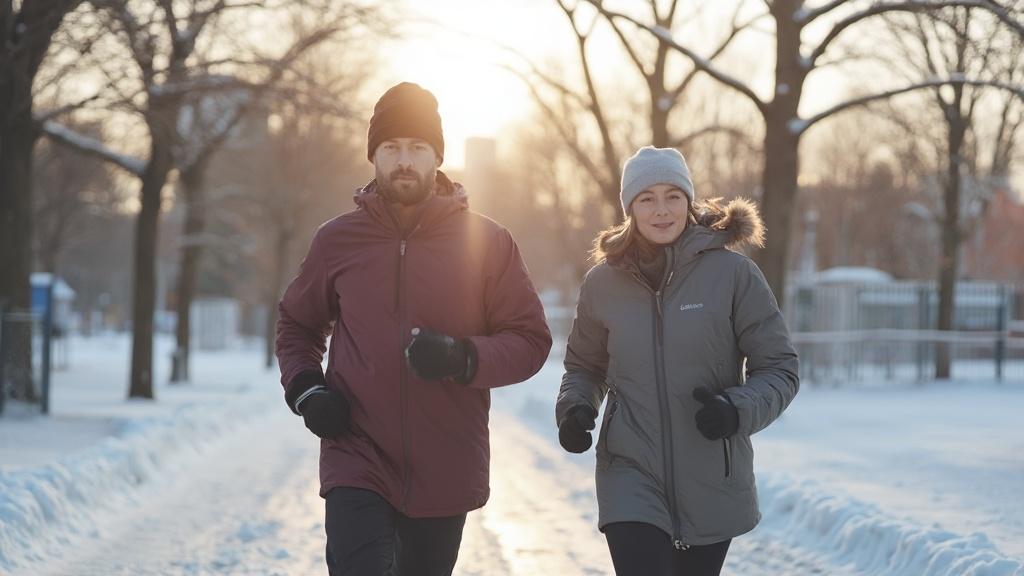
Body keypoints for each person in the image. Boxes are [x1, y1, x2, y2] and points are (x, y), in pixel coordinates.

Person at [276, 82, 552, 576]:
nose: (404, 160)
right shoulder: (337, 240)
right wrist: (306, 389)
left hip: (446, 461)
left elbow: (530, 340)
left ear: (437, 156)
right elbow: (297, 323)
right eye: (391, 147)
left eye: (417, 147)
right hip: (355, 452)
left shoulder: (487, 242)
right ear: (374, 156)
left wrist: (463, 357)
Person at [555, 146, 799, 576]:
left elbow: (780, 368)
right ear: (630, 207)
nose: (661, 209)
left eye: (673, 195)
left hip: (711, 472)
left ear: (689, 200)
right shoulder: (602, 283)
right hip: (629, 469)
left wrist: (736, 409)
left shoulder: (733, 275)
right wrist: (575, 407)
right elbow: (585, 366)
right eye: (647, 198)